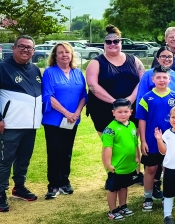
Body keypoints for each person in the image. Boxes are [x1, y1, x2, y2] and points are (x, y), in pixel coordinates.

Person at [0, 35, 43, 211]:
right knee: (4, 161)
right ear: (14, 48)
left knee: (24, 159)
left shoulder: (35, 69)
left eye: (29, 48)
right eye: (22, 47)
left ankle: (19, 187)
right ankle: (0, 192)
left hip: (30, 125)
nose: (26, 50)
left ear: (33, 51)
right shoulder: (2, 67)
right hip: (10, 124)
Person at [42, 42, 87, 200]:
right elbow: (48, 96)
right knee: (54, 152)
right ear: (55, 55)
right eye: (60, 52)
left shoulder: (78, 73)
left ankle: (64, 181)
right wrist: (66, 112)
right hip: (54, 120)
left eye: (67, 52)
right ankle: (53, 185)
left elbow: (83, 96)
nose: (64, 55)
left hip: (72, 120)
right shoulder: (49, 72)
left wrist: (76, 113)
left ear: (72, 54)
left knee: (67, 152)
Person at [136, 66, 175, 211]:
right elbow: (142, 120)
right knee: (151, 168)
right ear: (153, 79)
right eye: (159, 77)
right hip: (151, 140)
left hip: (171, 141)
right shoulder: (146, 98)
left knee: (167, 169)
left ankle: (166, 196)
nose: (162, 80)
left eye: (165, 77)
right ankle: (148, 197)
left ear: (169, 79)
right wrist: (143, 140)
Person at [87, 25, 145, 134]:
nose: (112, 44)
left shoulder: (135, 60)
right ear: (104, 44)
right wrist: (115, 102)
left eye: (116, 41)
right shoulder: (95, 63)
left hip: (132, 109)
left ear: (121, 43)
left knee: (132, 143)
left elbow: (143, 81)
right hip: (104, 110)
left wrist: (131, 99)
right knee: (110, 145)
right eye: (108, 42)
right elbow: (92, 85)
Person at [101, 99, 139, 221]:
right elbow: (107, 148)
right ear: (113, 112)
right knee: (113, 189)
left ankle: (123, 206)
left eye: (126, 111)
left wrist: (137, 156)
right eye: (120, 112)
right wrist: (108, 164)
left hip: (128, 165)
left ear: (131, 112)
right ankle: (113, 210)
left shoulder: (132, 125)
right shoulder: (110, 129)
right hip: (116, 167)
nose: (123, 114)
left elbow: (135, 144)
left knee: (124, 186)